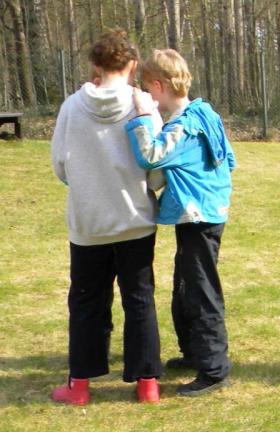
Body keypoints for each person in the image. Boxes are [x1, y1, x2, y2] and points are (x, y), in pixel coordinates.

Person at [51, 29, 165, 405]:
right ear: (133, 65)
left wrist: (87, 184)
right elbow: (157, 169)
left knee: (86, 301)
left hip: (89, 223)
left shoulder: (71, 107)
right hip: (135, 220)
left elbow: (60, 166)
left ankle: (80, 386)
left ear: (95, 66)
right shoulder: (143, 104)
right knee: (139, 299)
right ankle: (147, 383)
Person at [125, 48, 235, 397]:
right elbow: (228, 160)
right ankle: (193, 352)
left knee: (201, 291)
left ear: (158, 86)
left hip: (199, 217)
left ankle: (214, 369)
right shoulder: (206, 114)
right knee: (185, 286)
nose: (148, 99)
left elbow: (151, 154)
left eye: (147, 92)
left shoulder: (184, 127)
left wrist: (142, 118)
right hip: (204, 213)